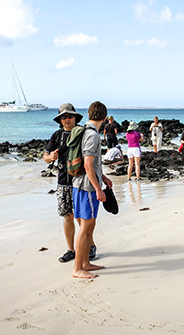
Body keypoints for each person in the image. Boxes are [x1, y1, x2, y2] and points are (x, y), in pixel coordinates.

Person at [43, 103, 97, 263]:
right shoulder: (57, 136)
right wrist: (50, 157)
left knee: (82, 217)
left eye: (70, 116)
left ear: (75, 117)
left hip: (80, 182)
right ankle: (70, 250)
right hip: (62, 182)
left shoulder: (83, 133)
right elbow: (45, 156)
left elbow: (91, 158)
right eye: (64, 117)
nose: (67, 119)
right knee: (67, 217)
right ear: (60, 120)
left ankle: (90, 246)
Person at [71, 101, 113, 279]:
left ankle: (85, 263)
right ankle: (77, 268)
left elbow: (91, 163)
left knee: (88, 226)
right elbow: (88, 164)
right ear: (104, 117)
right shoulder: (93, 135)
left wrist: (103, 177)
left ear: (89, 115)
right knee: (86, 227)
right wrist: (99, 189)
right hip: (87, 187)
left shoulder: (83, 130)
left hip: (78, 184)